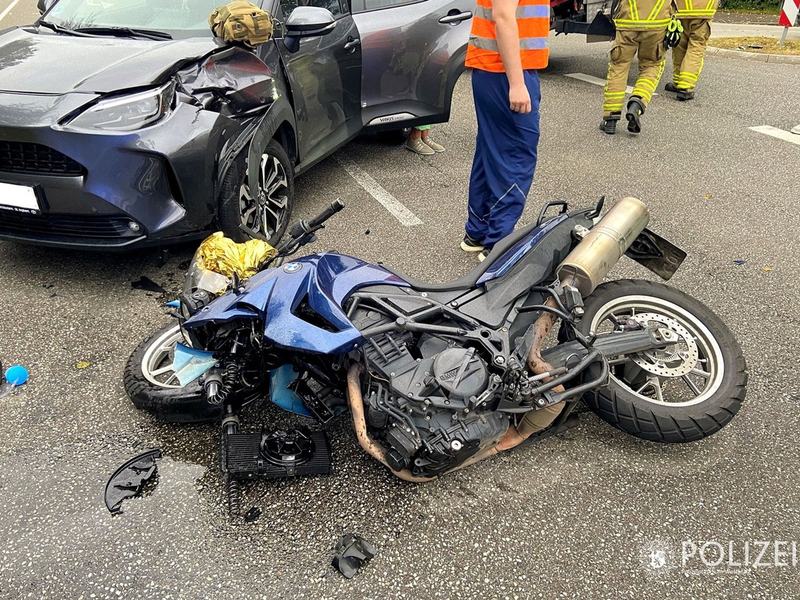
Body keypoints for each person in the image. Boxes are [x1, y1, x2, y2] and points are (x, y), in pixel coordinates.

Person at [461, 0, 549, 262]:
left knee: (490, 151)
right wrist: (517, 83)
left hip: (493, 70)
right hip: (505, 71)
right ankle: (498, 244)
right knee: (516, 156)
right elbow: (503, 17)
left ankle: (478, 232)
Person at [599, 0, 673, 135]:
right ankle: (637, 102)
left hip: (627, 22)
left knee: (619, 66)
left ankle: (610, 119)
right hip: (657, 24)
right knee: (652, 65)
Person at [666, 0, 718, 101]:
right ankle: (685, 85)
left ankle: (677, 81)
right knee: (696, 48)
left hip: (680, 10)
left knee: (679, 46)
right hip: (703, 11)